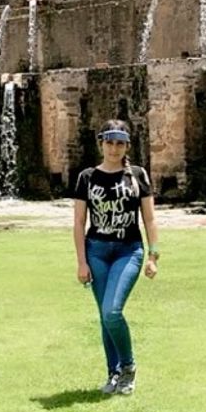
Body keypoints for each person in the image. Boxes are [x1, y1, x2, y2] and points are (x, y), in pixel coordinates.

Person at [73, 119, 159, 396]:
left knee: (112, 311)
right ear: (101, 144)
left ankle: (129, 366)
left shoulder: (137, 175)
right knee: (104, 316)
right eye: (109, 142)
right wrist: (81, 262)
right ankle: (114, 373)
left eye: (119, 143)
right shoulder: (87, 177)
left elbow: (150, 219)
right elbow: (79, 222)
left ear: (127, 146)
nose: (114, 148)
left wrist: (153, 256)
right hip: (96, 251)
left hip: (128, 250)